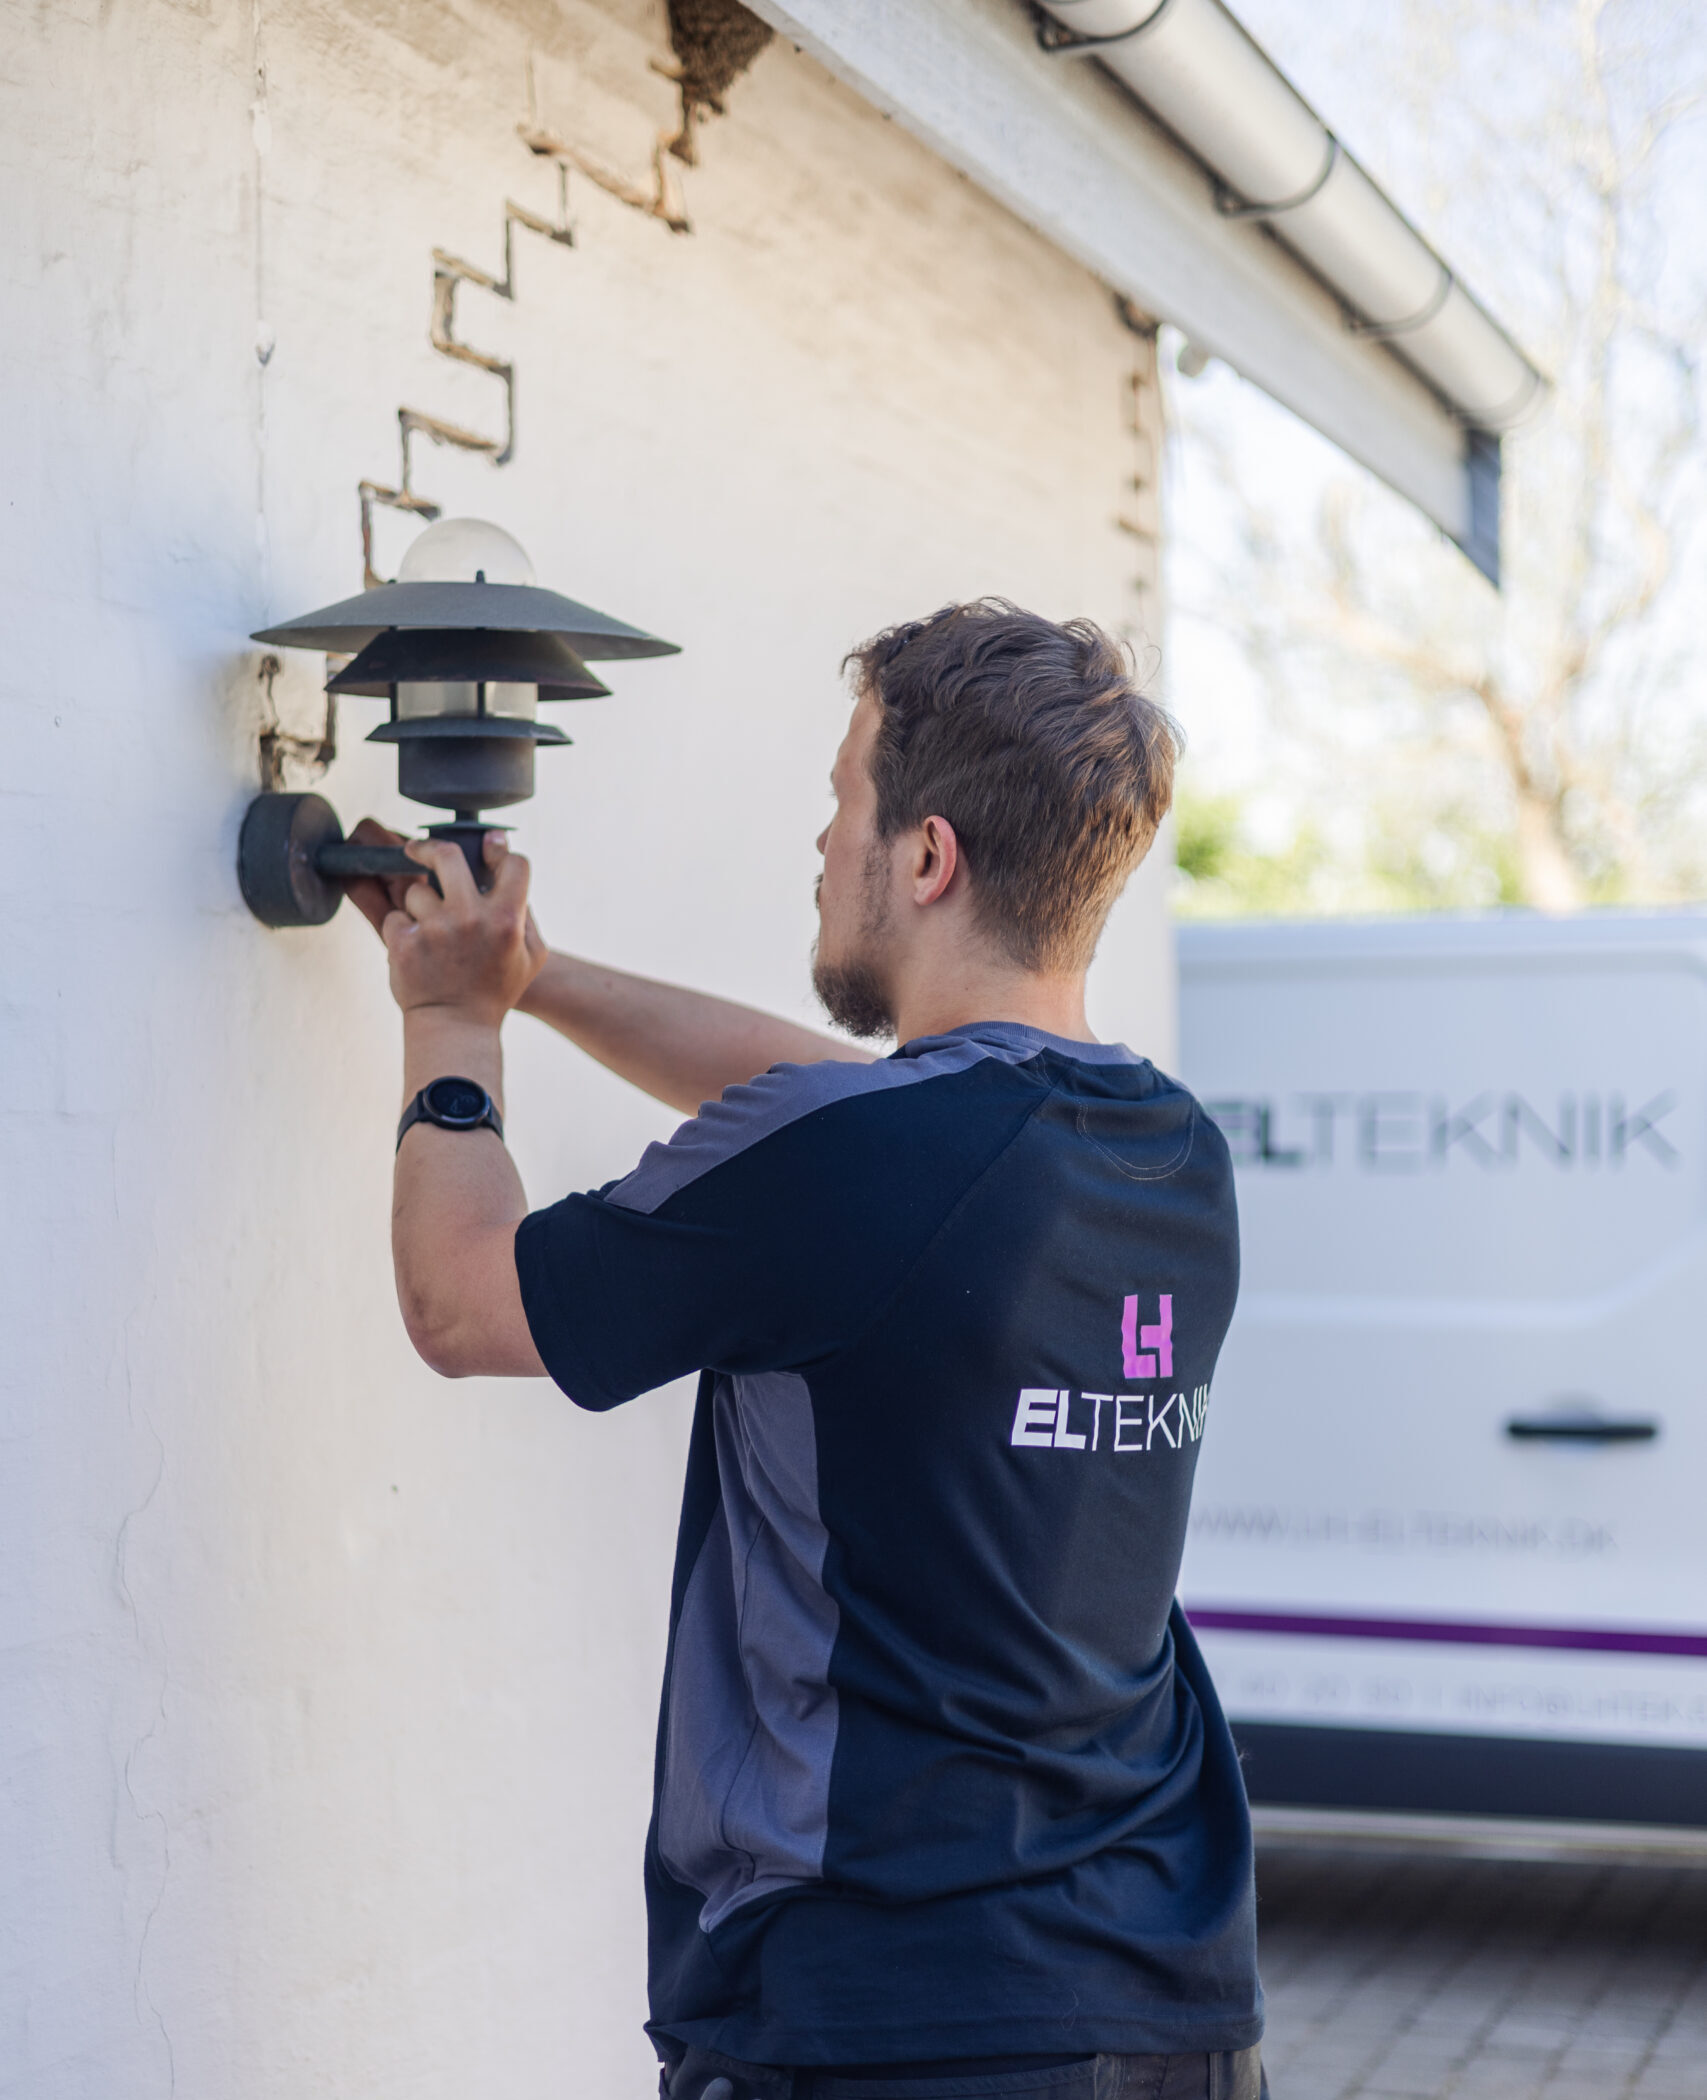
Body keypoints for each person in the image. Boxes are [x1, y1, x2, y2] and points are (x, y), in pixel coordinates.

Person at [348, 599, 1265, 2100]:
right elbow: (854, 1108)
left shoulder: (863, 1167)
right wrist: (538, 970)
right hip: (1170, 2008)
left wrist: (453, 1023)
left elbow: (462, 1302)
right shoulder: (1171, 1153)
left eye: (845, 807)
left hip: (891, 2023)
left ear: (926, 856)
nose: (823, 848)